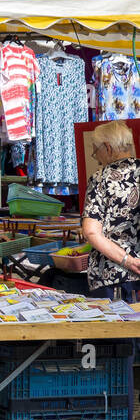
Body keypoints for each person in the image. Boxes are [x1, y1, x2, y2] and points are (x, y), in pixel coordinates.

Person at [81, 120, 140, 302]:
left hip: (113, 277)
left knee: (117, 330)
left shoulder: (101, 179)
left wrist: (129, 262)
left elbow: (91, 231)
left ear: (108, 147)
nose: (96, 158)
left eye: (95, 150)